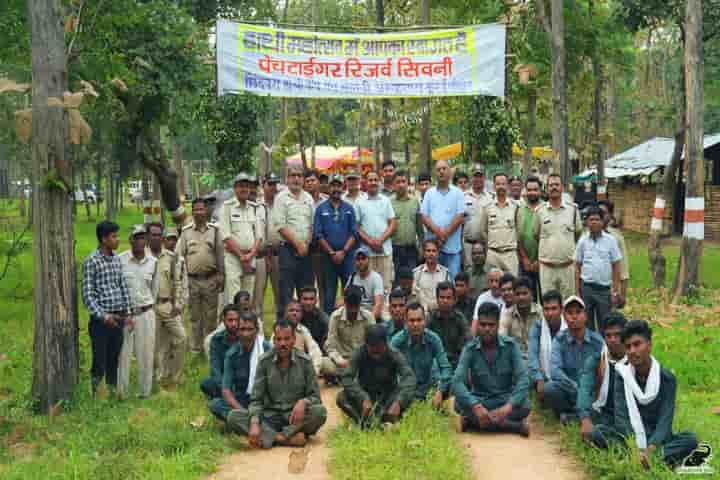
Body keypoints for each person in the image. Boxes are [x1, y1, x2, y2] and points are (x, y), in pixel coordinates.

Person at [590, 321, 698, 467]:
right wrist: (636, 447)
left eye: (637, 344)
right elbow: (621, 417)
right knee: (597, 432)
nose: (633, 351)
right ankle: (650, 459)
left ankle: (644, 459)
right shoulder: (622, 375)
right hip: (631, 438)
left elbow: (665, 421)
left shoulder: (666, 378)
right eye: (628, 347)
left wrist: (651, 448)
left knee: (690, 439)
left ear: (649, 345)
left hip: (656, 439)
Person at [227, 320, 328, 449]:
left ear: (294, 339)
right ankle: (283, 439)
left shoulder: (305, 362)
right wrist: (254, 422)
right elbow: (256, 400)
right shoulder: (264, 361)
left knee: (320, 412)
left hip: (295, 419)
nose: (282, 344)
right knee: (233, 417)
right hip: (270, 418)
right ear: (274, 341)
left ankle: (269, 437)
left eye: (287, 339)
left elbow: (316, 397)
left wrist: (304, 402)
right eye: (279, 339)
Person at [453, 302, 530, 436]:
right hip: (481, 400)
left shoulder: (511, 346)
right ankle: (513, 426)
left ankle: (472, 423)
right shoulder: (470, 349)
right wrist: (476, 406)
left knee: (526, 405)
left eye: (491, 325)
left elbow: (523, 379)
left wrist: (508, 407)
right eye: (483, 324)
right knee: (458, 404)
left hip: (505, 399)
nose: (487, 329)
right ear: (478, 325)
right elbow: (457, 382)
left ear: (498, 324)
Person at [82, 220, 132, 397]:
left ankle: (112, 392)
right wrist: (103, 316)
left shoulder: (116, 260)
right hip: (101, 322)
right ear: (103, 239)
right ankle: (95, 393)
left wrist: (127, 314)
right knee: (99, 360)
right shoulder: (92, 261)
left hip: (118, 319)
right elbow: (88, 296)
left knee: (113, 359)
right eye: (114, 236)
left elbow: (122, 286)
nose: (118, 240)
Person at [336, 324, 416, 426]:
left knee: (409, 395)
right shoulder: (359, 353)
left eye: (379, 349)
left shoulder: (394, 354)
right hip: (366, 399)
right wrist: (362, 397)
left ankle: (383, 420)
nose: (376, 354)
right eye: (372, 350)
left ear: (385, 344)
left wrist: (398, 402)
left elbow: (409, 378)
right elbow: (347, 378)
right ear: (366, 345)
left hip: (388, 399)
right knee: (341, 397)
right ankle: (362, 421)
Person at [544, 296, 605, 423]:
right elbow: (555, 370)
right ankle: (580, 413)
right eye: (570, 313)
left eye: (578, 312)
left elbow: (604, 373)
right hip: (570, 391)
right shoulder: (559, 340)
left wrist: (589, 393)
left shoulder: (597, 341)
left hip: (591, 394)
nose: (574, 316)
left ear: (586, 316)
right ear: (564, 317)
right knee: (549, 389)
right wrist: (576, 388)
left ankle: (572, 417)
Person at [177, 197, 225, 355]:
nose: (198, 212)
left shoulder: (215, 231)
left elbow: (220, 254)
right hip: (192, 281)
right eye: (195, 209)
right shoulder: (186, 232)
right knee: (194, 317)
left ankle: (209, 347)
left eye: (201, 209)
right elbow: (179, 257)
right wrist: (180, 281)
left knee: (211, 316)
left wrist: (221, 275)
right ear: (192, 212)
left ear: (206, 211)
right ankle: (196, 349)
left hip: (211, 280)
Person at [118, 225, 158, 399]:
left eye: (143, 237)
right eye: (136, 237)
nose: (140, 241)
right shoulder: (120, 260)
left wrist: (147, 307)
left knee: (146, 354)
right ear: (130, 240)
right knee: (122, 355)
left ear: (146, 241)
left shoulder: (153, 262)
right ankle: (122, 393)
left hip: (145, 313)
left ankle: (145, 392)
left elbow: (154, 291)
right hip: (125, 315)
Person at [208, 312, 271, 422]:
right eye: (242, 329)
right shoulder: (231, 354)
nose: (245, 334)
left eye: (249, 329)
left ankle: (247, 423)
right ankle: (251, 421)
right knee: (215, 405)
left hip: (265, 400)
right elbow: (226, 391)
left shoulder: (266, 348)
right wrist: (242, 411)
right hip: (243, 400)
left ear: (256, 331)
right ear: (237, 332)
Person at [271, 165, 315, 319]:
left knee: (307, 293)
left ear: (303, 179)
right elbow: (280, 226)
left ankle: (306, 328)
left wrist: (306, 244)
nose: (296, 179)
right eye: (293, 175)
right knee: (286, 294)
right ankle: (284, 329)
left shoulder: (308, 198)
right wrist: (298, 244)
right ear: (287, 178)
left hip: (305, 252)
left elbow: (311, 225)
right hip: (288, 251)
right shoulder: (281, 198)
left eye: (299, 175)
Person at [577, 312, 627, 444]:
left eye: (617, 335)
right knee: (589, 419)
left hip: (629, 416)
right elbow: (585, 388)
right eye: (608, 335)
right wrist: (585, 420)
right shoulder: (598, 358)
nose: (612, 339)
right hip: (604, 412)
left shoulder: (634, 361)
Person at [391, 303, 452, 407]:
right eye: (412, 320)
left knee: (454, 390)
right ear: (405, 322)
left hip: (428, 390)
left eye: (419, 320)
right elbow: (389, 370)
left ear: (425, 321)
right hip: (404, 392)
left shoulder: (433, 339)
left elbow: (446, 368)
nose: (416, 324)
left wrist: (440, 391)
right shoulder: (397, 342)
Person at [534, 173, 583, 301]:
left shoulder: (572, 210)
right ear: (546, 188)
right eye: (551, 185)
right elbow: (536, 235)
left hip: (567, 267)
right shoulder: (540, 211)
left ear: (562, 188)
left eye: (556, 185)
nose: (554, 188)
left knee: (568, 304)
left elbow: (577, 234)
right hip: (547, 268)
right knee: (549, 304)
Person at [314, 173, 357, 314]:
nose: (336, 189)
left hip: (347, 257)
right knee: (329, 295)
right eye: (333, 186)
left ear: (343, 187)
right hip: (328, 258)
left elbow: (354, 233)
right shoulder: (321, 209)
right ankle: (328, 328)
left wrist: (343, 252)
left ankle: (349, 323)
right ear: (329, 187)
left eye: (339, 186)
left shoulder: (349, 208)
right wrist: (332, 253)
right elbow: (318, 234)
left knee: (349, 293)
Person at [575, 206, 623, 331]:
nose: (594, 222)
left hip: (604, 291)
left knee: (605, 324)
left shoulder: (611, 241)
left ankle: (605, 350)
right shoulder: (582, 241)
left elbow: (616, 266)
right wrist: (577, 292)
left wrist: (615, 291)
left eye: (597, 219)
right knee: (587, 324)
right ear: (586, 222)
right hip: (587, 289)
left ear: (602, 222)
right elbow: (577, 267)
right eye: (591, 220)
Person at [219, 173, 263, 306]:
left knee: (247, 296)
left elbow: (259, 236)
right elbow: (225, 235)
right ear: (234, 188)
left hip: (251, 257)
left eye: (246, 186)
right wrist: (241, 256)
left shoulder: (254, 208)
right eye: (240, 186)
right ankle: (234, 324)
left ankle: (246, 324)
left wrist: (249, 255)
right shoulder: (227, 207)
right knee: (235, 296)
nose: (244, 189)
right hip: (233, 258)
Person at [153, 227, 188, 390]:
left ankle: (176, 376)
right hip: (150, 306)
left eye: (158, 235)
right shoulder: (144, 256)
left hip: (167, 304)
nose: (156, 238)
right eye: (153, 235)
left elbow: (178, 282)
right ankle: (159, 375)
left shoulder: (172, 258)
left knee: (181, 337)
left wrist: (178, 304)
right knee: (158, 343)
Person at [420, 159, 466, 278]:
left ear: (450, 172)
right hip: (433, 249)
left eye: (444, 169)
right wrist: (438, 233)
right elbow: (424, 217)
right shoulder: (429, 193)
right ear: (435, 174)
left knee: (451, 283)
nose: (441, 172)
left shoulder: (458, 193)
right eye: (438, 170)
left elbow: (460, 216)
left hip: (452, 248)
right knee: (432, 282)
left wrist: (444, 234)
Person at [357, 170, 396, 294]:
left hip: (384, 251)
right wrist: (370, 242)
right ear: (365, 182)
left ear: (379, 182)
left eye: (375, 180)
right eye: (370, 180)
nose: (373, 182)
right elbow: (356, 227)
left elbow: (392, 223)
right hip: (367, 254)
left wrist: (380, 240)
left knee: (385, 287)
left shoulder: (386, 200)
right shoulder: (359, 201)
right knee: (368, 288)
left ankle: (385, 312)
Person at [527, 290, 566, 404]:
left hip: (566, 376)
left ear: (561, 309)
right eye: (546, 309)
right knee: (525, 375)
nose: (550, 313)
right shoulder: (537, 327)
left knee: (550, 389)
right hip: (543, 374)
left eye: (554, 308)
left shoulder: (569, 326)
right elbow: (532, 355)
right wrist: (539, 378)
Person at [325, 285, 376, 373]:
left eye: (355, 306)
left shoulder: (368, 317)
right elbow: (331, 347)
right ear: (345, 302)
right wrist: (341, 361)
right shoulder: (335, 317)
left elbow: (374, 344)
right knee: (325, 363)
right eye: (350, 306)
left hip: (362, 361)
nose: (353, 311)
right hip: (342, 361)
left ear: (360, 303)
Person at [476, 173, 520, 276]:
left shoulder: (515, 207)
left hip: (510, 254)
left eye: (503, 184)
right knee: (493, 285)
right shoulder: (487, 208)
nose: (501, 186)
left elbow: (519, 230)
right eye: (498, 184)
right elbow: (483, 231)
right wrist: (491, 244)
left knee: (512, 286)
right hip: (493, 254)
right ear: (494, 186)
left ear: (508, 186)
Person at [255, 172, 282, 323]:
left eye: (275, 184)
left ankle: (280, 332)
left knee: (281, 296)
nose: (273, 187)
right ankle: (257, 335)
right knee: (258, 296)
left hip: (279, 254)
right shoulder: (256, 206)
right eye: (270, 184)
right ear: (263, 185)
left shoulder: (281, 204)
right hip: (261, 255)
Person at [201, 304, 242, 400]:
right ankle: (228, 396)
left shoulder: (245, 338)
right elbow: (215, 369)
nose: (234, 324)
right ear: (224, 321)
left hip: (242, 380)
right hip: (224, 380)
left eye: (236, 320)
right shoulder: (216, 339)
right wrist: (225, 389)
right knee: (206, 383)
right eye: (230, 320)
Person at [427, 281, 471, 369]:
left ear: (454, 300)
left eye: (448, 298)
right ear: (437, 299)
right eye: (442, 297)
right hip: (434, 364)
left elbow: (466, 347)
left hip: (456, 364)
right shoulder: (431, 318)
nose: (445, 301)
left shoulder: (460, 319)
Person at [275, 300, 324, 376]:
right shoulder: (278, 329)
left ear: (301, 314)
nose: (294, 313)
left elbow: (315, 351)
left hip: (300, 369)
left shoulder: (303, 330)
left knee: (327, 364)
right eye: (291, 310)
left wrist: (313, 372)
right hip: (281, 370)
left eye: (297, 311)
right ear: (285, 314)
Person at [499, 276, 543, 356]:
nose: (521, 297)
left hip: (538, 358)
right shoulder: (508, 314)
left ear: (531, 294)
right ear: (514, 296)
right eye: (518, 294)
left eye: (524, 293)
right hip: (516, 360)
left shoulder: (540, 312)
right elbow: (502, 340)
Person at [391, 170, 421, 284]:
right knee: (396, 281)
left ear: (408, 183)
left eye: (403, 181)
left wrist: (422, 245)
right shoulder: (389, 202)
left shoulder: (415, 201)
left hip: (411, 249)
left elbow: (419, 226)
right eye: (398, 182)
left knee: (412, 280)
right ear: (393, 184)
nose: (401, 185)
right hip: (395, 249)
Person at [305, 169, 329, 312]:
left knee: (323, 285)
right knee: (307, 285)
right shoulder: (301, 201)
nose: (310, 184)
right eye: (307, 181)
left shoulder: (326, 201)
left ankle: (323, 314)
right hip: (306, 248)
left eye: (313, 180)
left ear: (318, 182)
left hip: (322, 248)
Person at [598, 200, 629, 308]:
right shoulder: (586, 237)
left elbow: (623, 268)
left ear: (610, 216)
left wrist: (622, 294)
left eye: (604, 213)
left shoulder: (616, 238)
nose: (600, 216)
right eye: (598, 212)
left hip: (610, 290)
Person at [517, 176, 543, 302]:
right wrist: (525, 259)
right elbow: (518, 237)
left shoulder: (545, 209)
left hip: (543, 261)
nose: (532, 192)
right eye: (529, 190)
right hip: (525, 263)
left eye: (535, 189)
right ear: (525, 191)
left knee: (545, 298)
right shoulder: (520, 210)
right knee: (528, 298)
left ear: (540, 191)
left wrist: (539, 259)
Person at [463, 164, 493, 269]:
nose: (478, 179)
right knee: (469, 274)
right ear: (471, 178)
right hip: (468, 245)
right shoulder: (463, 197)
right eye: (475, 176)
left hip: (486, 245)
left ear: (484, 177)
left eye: (480, 176)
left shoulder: (491, 197)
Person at [412, 239, 451, 312]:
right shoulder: (417, 273)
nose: (431, 254)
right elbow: (414, 297)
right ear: (424, 254)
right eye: (428, 251)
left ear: (438, 253)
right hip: (422, 314)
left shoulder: (445, 273)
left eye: (434, 251)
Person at [348, 247, 384, 321]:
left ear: (369, 260)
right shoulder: (352, 277)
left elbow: (378, 305)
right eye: (358, 259)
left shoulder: (376, 278)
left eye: (363, 258)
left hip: (370, 315)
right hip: (355, 314)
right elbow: (345, 299)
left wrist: (368, 321)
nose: (360, 261)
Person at [471, 268, 505, 335]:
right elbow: (475, 321)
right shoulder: (482, 297)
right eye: (491, 281)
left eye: (496, 281)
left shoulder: (506, 297)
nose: (494, 285)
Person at [299, 286, 329, 352]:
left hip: (317, 353)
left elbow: (326, 345)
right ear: (300, 300)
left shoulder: (323, 319)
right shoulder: (294, 315)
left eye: (311, 299)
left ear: (316, 301)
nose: (308, 303)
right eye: (305, 299)